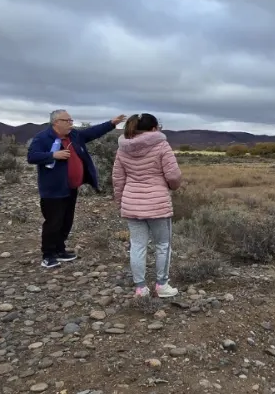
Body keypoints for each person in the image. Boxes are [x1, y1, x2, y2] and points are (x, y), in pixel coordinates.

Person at [26, 109, 127, 269]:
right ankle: (48, 255)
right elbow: (32, 156)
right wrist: (53, 156)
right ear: (56, 122)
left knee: (66, 220)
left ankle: (60, 249)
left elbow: (92, 132)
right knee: (53, 222)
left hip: (71, 187)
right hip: (53, 190)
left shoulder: (74, 136)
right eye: (67, 121)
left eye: (71, 120)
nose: (71, 123)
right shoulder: (43, 138)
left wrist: (111, 124)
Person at [112, 113, 182, 298]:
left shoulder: (122, 148)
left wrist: (120, 203)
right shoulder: (161, 145)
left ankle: (141, 289)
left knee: (137, 245)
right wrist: (171, 187)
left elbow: (118, 179)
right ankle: (162, 285)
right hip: (158, 204)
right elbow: (173, 175)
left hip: (132, 204)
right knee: (163, 245)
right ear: (154, 128)